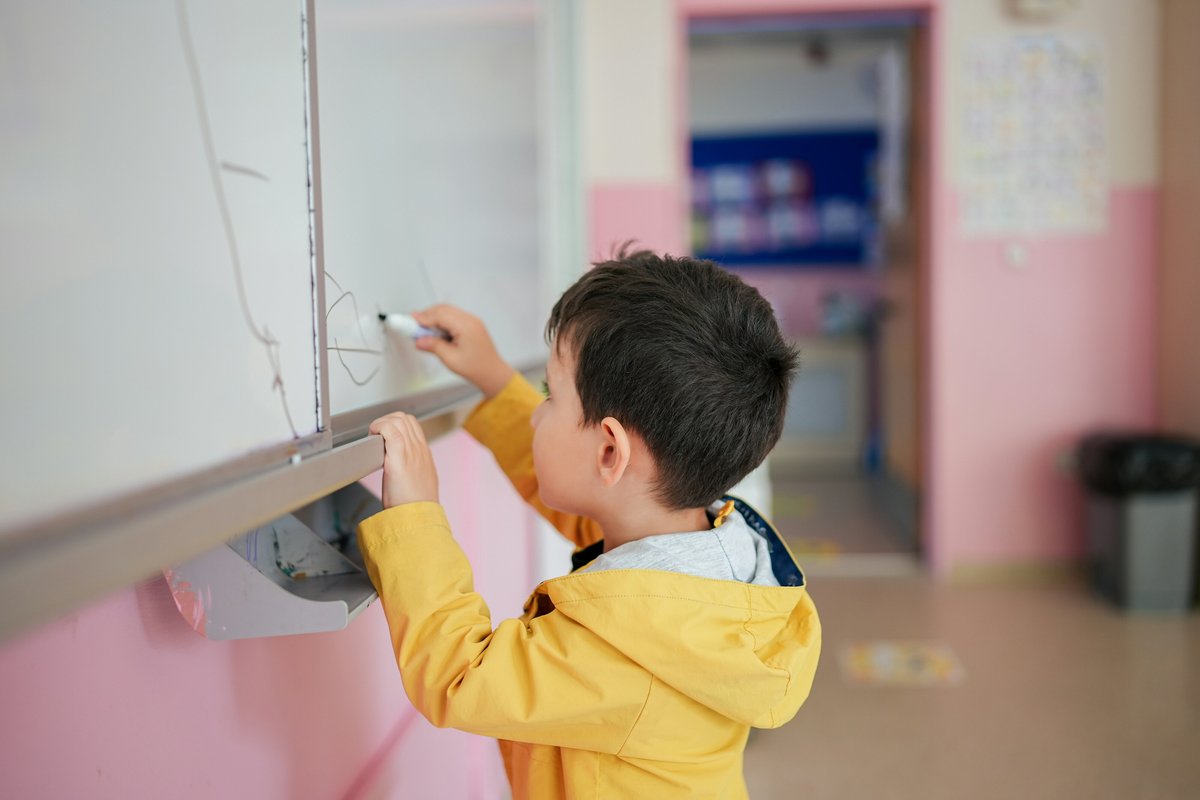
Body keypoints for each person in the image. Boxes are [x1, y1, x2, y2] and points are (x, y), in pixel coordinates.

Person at [359, 248, 821, 799]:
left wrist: (415, 518)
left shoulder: (625, 649)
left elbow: (461, 675)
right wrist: (496, 380)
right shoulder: (703, 559)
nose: (538, 412)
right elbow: (591, 491)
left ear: (609, 451)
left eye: (550, 395)